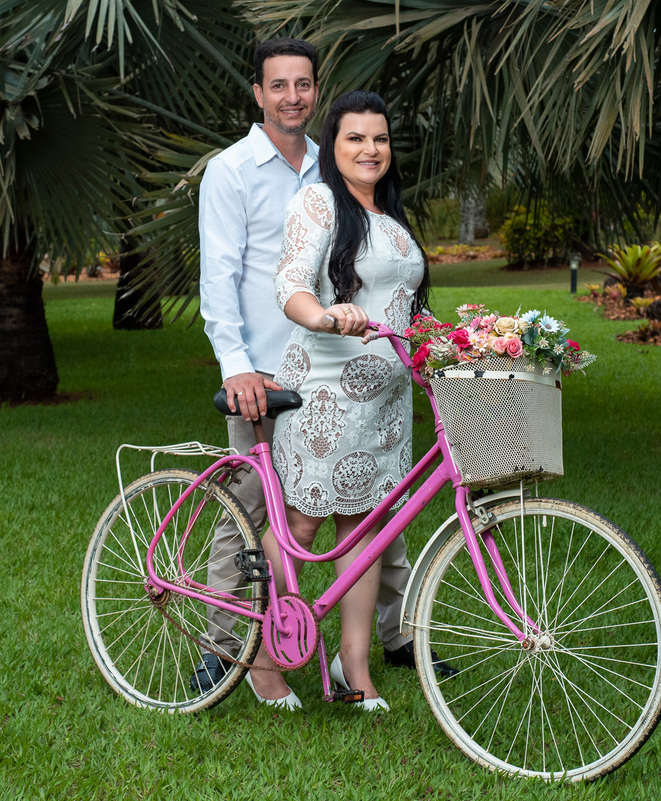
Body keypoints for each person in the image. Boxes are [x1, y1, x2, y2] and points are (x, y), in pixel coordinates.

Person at [195, 40, 440, 706]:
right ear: (259, 93)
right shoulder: (235, 171)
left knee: (369, 529)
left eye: (304, 84)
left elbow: (396, 293)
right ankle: (232, 653)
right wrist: (238, 363)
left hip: (378, 391)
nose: (293, 95)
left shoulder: (349, 188)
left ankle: (369, 654)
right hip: (286, 372)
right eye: (279, 85)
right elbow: (232, 281)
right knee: (258, 515)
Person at [247, 90, 429, 712]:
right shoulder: (319, 201)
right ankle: (266, 660)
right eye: (355, 138)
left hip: (386, 407)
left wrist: (454, 343)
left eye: (379, 138)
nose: (369, 150)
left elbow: (409, 307)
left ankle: (354, 670)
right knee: (301, 524)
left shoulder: (392, 215)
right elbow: (290, 285)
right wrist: (326, 316)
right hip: (324, 395)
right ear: (336, 144)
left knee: (366, 530)